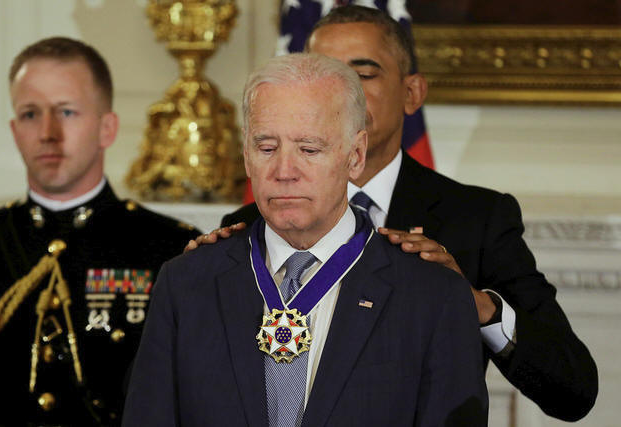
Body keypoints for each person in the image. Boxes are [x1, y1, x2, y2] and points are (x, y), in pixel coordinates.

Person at [211, 5, 598, 422]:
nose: (343, 92)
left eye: (363, 74)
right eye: (326, 74)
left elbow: (572, 390)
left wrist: (474, 305)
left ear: (412, 93)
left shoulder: (476, 220)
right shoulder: (253, 222)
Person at [124, 53, 488, 426]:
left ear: (355, 156)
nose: (284, 171)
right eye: (267, 148)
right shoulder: (186, 283)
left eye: (309, 149)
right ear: (246, 156)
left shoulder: (432, 295)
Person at [0, 37, 201, 426]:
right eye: (30, 114)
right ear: (15, 131)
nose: (47, 132)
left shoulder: (171, 249)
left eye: (66, 111)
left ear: (106, 128)